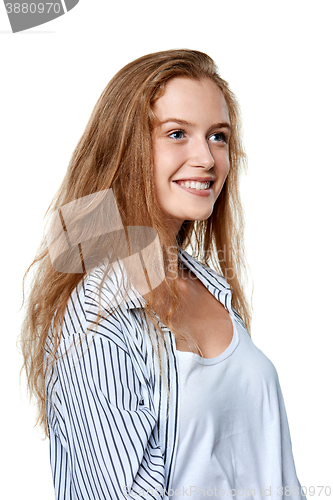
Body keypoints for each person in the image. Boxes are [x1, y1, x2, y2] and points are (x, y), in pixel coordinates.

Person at [19, 49, 307, 499]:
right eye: (177, 133)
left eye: (218, 136)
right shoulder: (101, 314)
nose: (207, 159)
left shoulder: (212, 289)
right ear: (125, 150)